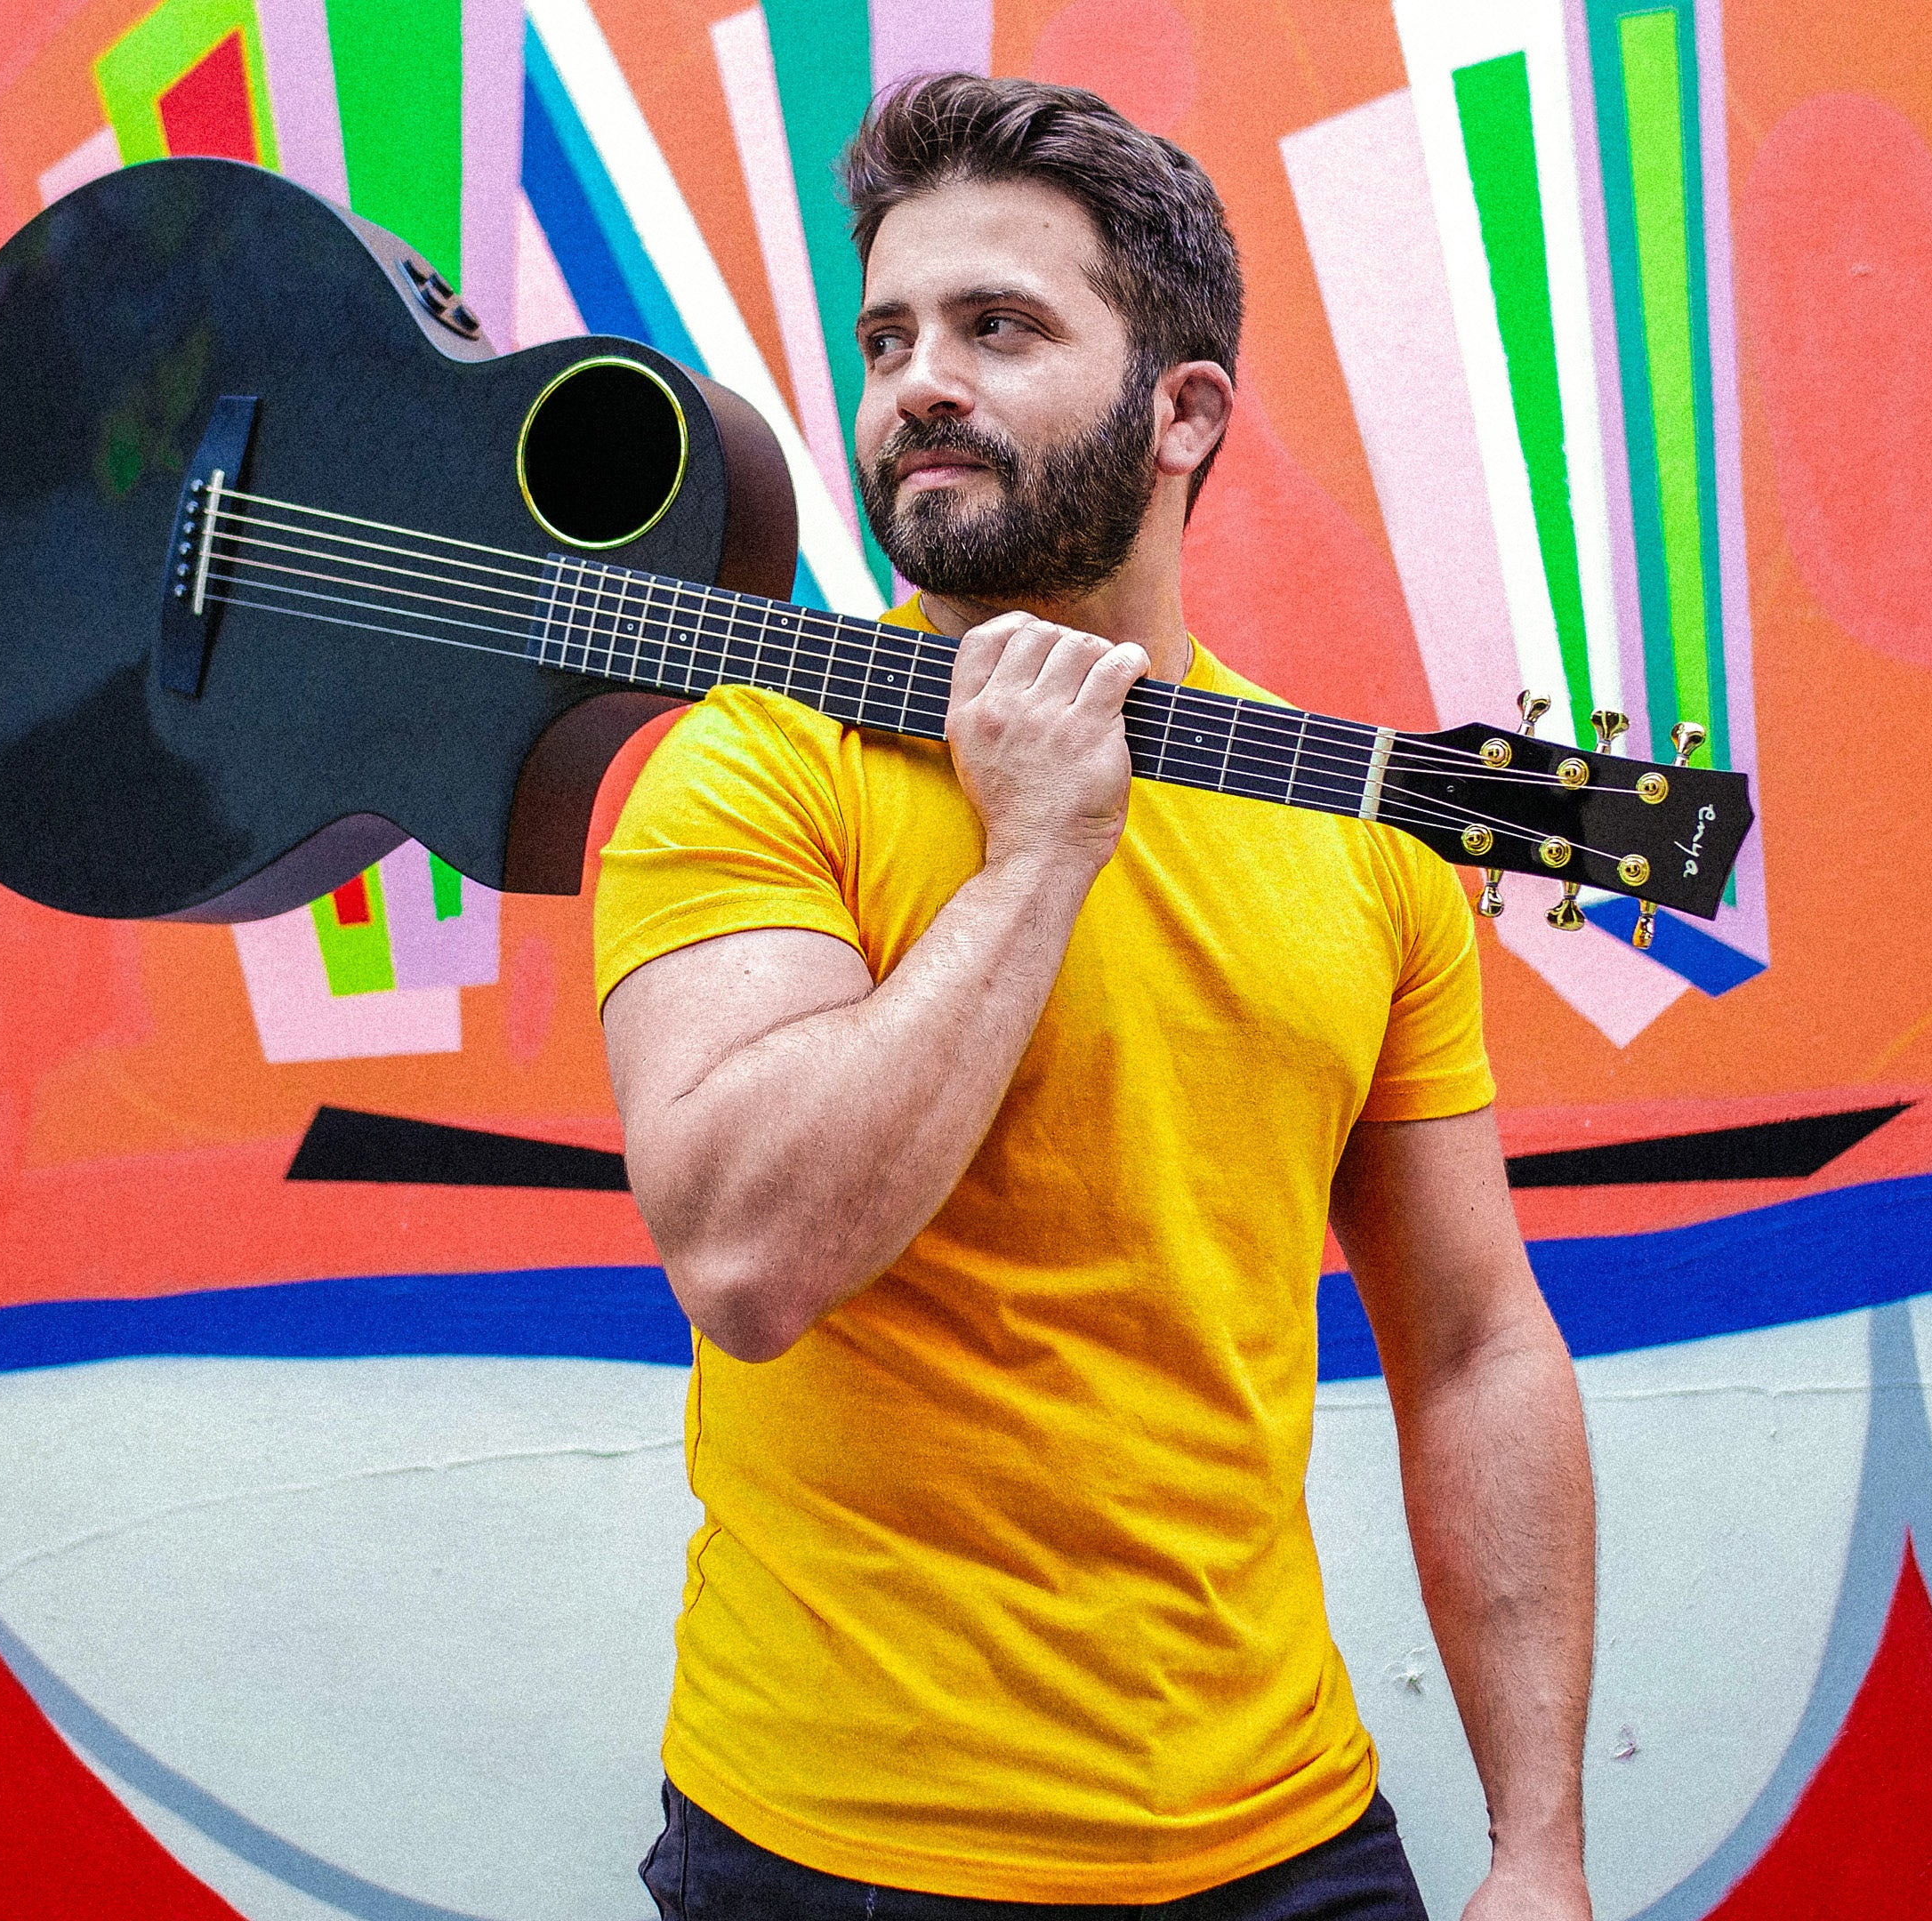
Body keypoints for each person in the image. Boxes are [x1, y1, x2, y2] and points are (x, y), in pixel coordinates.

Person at [592, 73, 1595, 1921]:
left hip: (1290, 1842)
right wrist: (1038, 853)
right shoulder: (749, 768)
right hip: (844, 1863)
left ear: (1184, 413)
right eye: (889, 334)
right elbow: (745, 1259)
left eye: (999, 327)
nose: (918, 386)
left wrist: (1540, 1846)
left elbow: (1474, 1344)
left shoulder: (1364, 831)